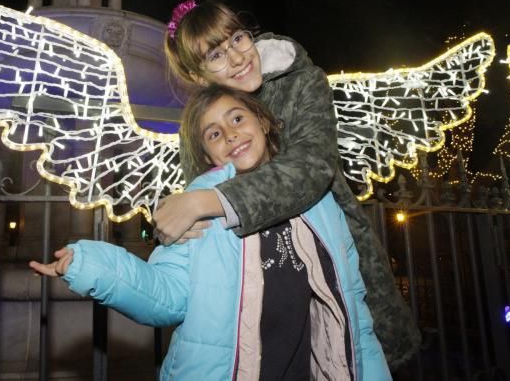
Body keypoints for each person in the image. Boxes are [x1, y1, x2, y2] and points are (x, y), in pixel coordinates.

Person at [30, 85, 390, 380]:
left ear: (263, 122)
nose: (231, 134)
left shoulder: (317, 198)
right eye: (215, 134)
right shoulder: (197, 203)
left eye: (237, 118)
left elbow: (352, 307)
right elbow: (167, 295)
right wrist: (91, 265)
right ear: (208, 155)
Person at [154, 0, 419, 368]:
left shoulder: (303, 82)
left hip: (331, 268)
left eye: (237, 39)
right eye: (215, 56)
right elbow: (195, 196)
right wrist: (179, 224)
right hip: (252, 292)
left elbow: (311, 166)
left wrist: (208, 203)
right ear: (199, 76)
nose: (236, 58)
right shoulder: (198, 126)